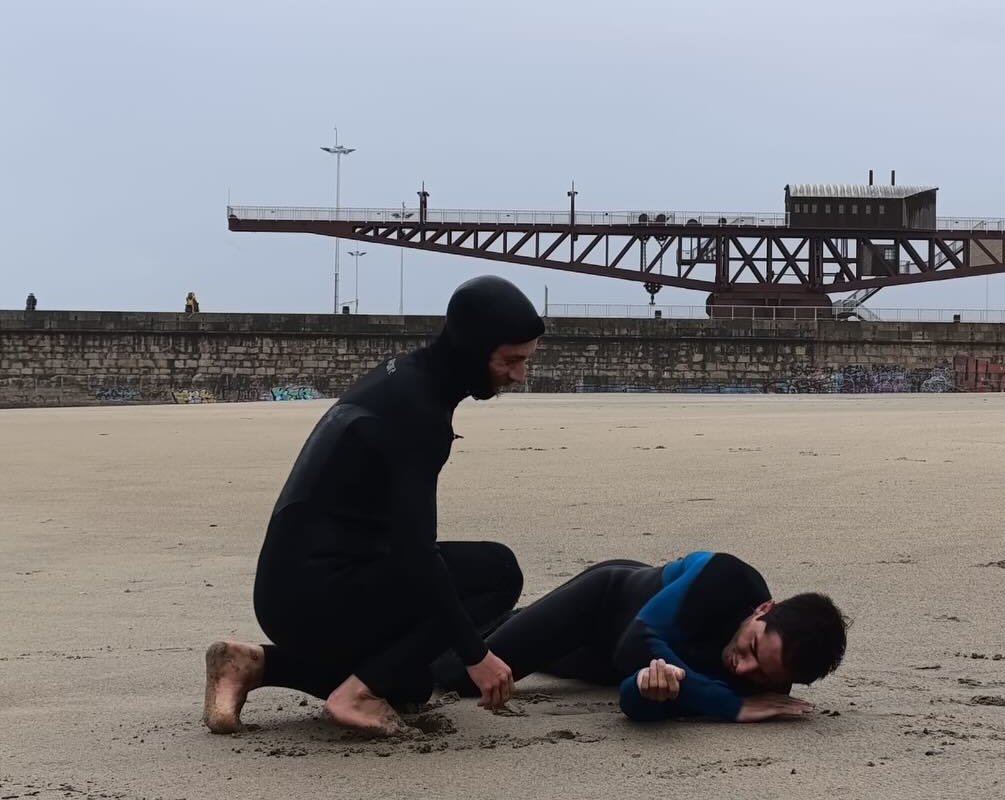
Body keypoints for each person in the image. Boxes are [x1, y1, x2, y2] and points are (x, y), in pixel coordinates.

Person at [202, 275, 545, 736]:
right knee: (499, 571)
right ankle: (357, 694)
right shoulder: (418, 412)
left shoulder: (404, 377)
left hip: (289, 588)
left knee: (409, 684)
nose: (519, 375)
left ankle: (251, 664)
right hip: (313, 597)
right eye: (511, 360)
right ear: (472, 348)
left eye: (526, 360)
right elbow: (416, 554)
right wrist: (475, 654)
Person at [432, 551, 849, 722]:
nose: (743, 668)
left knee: (524, 646)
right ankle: (434, 599)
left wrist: (653, 690)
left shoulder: (770, 680)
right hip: (603, 602)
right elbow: (636, 644)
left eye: (762, 674)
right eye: (752, 646)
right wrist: (729, 704)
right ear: (764, 609)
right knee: (460, 676)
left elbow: (633, 696)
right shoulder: (725, 577)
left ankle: (512, 621)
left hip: (603, 664)